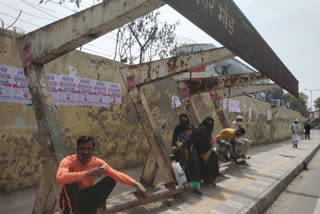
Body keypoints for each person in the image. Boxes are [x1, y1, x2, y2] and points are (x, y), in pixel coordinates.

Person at [56, 136, 147, 214]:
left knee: (110, 180)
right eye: (82, 148)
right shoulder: (69, 160)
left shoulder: (97, 162)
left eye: (88, 148)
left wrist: (136, 184)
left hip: (86, 196)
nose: (85, 152)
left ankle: (90, 208)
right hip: (69, 200)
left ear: (93, 149)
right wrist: (88, 173)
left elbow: (115, 174)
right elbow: (60, 178)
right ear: (77, 149)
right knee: (72, 183)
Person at [171, 124, 202, 195]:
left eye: (190, 131)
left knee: (195, 166)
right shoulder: (180, 135)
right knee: (181, 168)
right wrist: (177, 147)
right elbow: (176, 145)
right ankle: (179, 188)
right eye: (187, 131)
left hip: (191, 155)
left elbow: (192, 146)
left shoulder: (192, 137)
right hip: (181, 154)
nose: (189, 132)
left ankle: (196, 187)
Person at [192, 117, 219, 187]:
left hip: (207, 152)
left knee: (214, 158)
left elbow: (211, 140)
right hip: (201, 153)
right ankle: (208, 180)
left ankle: (211, 180)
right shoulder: (202, 130)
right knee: (210, 162)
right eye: (209, 122)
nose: (210, 124)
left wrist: (211, 147)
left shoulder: (206, 130)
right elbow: (202, 143)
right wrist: (210, 149)